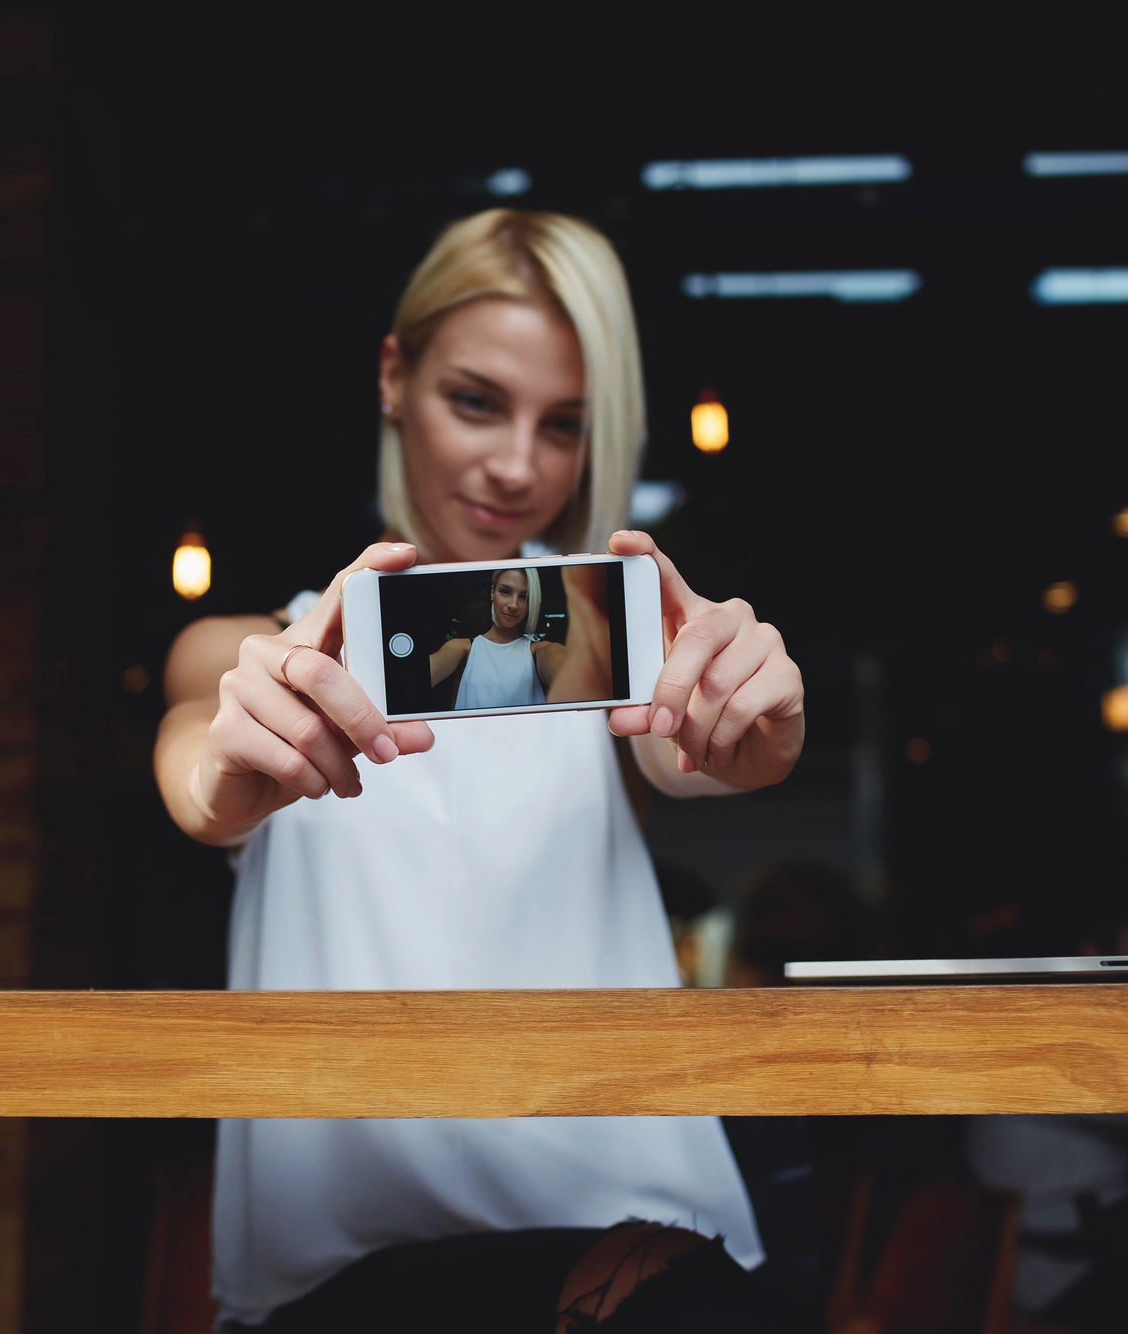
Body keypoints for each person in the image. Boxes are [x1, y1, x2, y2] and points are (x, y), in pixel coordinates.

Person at [155, 209, 806, 1331]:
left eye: (564, 425)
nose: (517, 464)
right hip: (340, 1277)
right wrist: (226, 780)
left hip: (621, 1249)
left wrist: (750, 735)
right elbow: (196, 767)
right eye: (475, 400)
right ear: (392, 376)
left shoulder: (612, 655)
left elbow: (690, 747)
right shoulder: (249, 654)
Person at [432, 566, 609, 709]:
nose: (513, 605)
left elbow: (565, 666)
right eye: (505, 591)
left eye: (524, 597)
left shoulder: (538, 651)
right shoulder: (463, 648)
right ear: (493, 592)